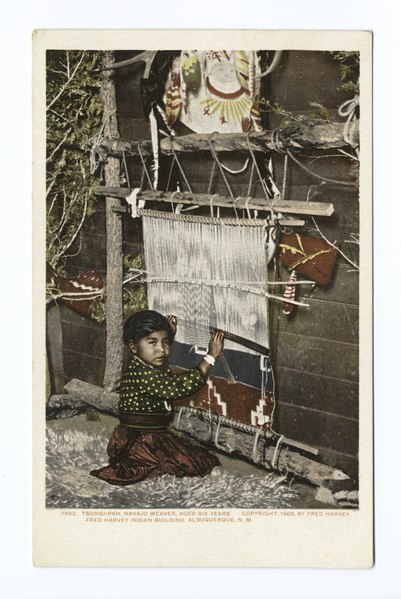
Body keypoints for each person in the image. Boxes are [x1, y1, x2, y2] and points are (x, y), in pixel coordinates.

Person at [90, 310, 224, 485]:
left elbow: (163, 368)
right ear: (133, 346)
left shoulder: (144, 363)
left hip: (146, 435)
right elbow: (178, 386)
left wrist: (170, 334)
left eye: (166, 342)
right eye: (152, 342)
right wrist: (211, 356)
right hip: (142, 441)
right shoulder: (143, 374)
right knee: (193, 464)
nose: (162, 349)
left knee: (199, 459)